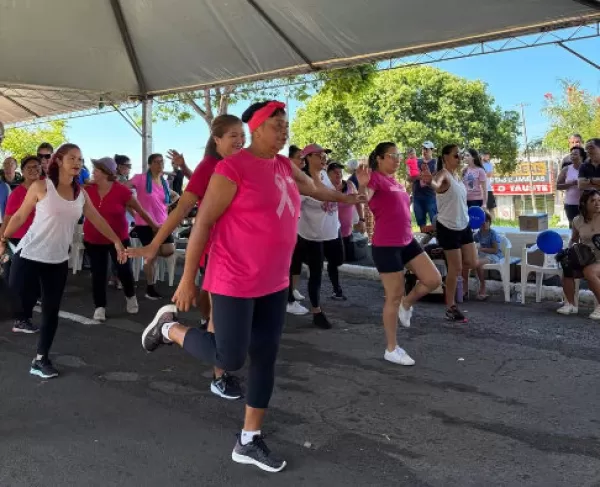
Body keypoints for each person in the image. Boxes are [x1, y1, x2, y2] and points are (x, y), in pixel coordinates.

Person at [139, 100, 364, 472]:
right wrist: (187, 279)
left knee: (264, 358)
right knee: (229, 358)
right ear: (256, 128)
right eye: (277, 125)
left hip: (273, 282)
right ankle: (168, 328)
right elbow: (203, 224)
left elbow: (313, 189)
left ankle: (249, 439)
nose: (284, 131)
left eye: (286, 124)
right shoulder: (231, 169)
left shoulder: (283, 166)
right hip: (233, 278)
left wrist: (347, 197)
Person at [128, 114, 245, 400]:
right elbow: (180, 210)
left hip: (241, 252)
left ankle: (203, 333)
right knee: (219, 312)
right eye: (233, 136)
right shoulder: (211, 166)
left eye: (243, 135)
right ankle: (218, 374)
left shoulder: (239, 164)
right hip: (218, 250)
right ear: (217, 140)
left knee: (218, 312)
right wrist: (154, 245)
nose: (240, 141)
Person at [0, 144, 127, 379]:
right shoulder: (42, 186)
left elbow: (97, 219)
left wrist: (117, 241)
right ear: (58, 160)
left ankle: (40, 359)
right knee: (13, 304)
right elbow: (19, 216)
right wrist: (2, 237)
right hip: (28, 255)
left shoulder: (81, 194)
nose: (77, 163)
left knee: (50, 311)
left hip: (57, 261)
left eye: (80, 159)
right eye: (72, 158)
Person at [359, 142, 441, 365]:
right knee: (392, 296)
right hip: (386, 245)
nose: (397, 159)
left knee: (433, 279)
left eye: (398, 155)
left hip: (407, 240)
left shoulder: (395, 180)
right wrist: (362, 186)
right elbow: (364, 198)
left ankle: (408, 303)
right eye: (392, 155)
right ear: (379, 159)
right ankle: (391, 348)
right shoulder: (374, 178)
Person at [84, 157, 158, 322]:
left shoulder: (122, 191)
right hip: (93, 239)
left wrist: (154, 226)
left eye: (96, 169)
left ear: (106, 173)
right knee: (99, 274)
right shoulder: (87, 189)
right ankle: (100, 306)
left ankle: (130, 296)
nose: (93, 172)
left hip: (119, 239)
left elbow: (140, 211)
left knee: (124, 271)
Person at [292, 143, 349, 329]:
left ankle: (329, 288)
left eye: (324, 154)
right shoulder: (303, 181)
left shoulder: (324, 174)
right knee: (316, 273)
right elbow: (294, 207)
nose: (324, 157)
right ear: (307, 158)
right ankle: (316, 311)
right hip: (312, 235)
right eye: (319, 155)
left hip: (333, 230)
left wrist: (343, 194)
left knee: (338, 260)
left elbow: (329, 193)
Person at [428, 144, 476, 323]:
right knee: (455, 269)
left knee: (471, 261)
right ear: (445, 157)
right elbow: (436, 185)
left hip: (464, 225)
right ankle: (450, 306)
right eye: (456, 155)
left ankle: (445, 253)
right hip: (447, 226)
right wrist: (429, 181)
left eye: (460, 155)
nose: (460, 158)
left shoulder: (457, 177)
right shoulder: (442, 175)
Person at [0, 155, 41, 332]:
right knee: (17, 283)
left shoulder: (46, 189)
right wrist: (2, 241)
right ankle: (20, 320)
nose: (33, 170)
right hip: (18, 242)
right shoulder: (17, 193)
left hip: (38, 241)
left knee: (30, 283)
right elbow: (8, 218)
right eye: (29, 168)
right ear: (22, 172)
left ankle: (22, 318)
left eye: (37, 167)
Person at [129, 153, 178, 299]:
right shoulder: (141, 178)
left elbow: (174, 196)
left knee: (169, 250)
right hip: (145, 224)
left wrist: (168, 206)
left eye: (162, 162)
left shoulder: (164, 183)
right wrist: (134, 211)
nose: (160, 165)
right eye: (156, 162)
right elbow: (124, 190)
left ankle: (143, 252)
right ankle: (150, 288)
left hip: (163, 223)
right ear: (150, 165)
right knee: (151, 258)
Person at [558, 190, 600, 319]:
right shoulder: (577, 221)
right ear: (584, 203)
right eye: (593, 201)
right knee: (566, 265)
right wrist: (568, 251)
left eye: (599, 200)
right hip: (586, 257)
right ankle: (571, 304)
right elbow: (574, 239)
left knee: (589, 272)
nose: (597, 203)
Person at [327, 161, 365, 262]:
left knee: (348, 260)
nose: (338, 174)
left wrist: (362, 220)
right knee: (335, 262)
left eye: (340, 172)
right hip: (330, 234)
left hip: (347, 232)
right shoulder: (325, 188)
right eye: (335, 172)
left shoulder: (350, 185)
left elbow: (358, 202)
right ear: (328, 174)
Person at [462, 211, 503, 300]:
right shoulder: (477, 235)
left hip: (493, 256)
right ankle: (465, 288)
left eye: (486, 221)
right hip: (480, 256)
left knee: (477, 263)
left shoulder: (493, 234)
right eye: (482, 221)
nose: (484, 223)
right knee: (466, 264)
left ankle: (483, 287)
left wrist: (482, 249)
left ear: (490, 223)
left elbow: (495, 250)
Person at [287, 144, 307, 309]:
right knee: (286, 264)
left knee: (295, 262)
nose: (303, 161)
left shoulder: (300, 178)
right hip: (284, 227)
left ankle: (291, 292)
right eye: (299, 158)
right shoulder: (285, 176)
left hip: (296, 225)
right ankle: (288, 300)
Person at [411, 141, 437, 232]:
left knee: (435, 221)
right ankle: (424, 244)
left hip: (431, 196)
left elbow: (437, 179)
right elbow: (410, 178)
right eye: (423, 148)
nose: (424, 151)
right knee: (421, 223)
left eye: (427, 149)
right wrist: (420, 176)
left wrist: (425, 176)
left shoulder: (436, 163)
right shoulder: (416, 162)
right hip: (417, 196)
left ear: (432, 150)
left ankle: (436, 241)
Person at [556, 146, 585, 227]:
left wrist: (584, 183)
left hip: (586, 203)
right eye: (571, 154)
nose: (572, 156)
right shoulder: (566, 169)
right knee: (573, 227)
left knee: (586, 227)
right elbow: (557, 186)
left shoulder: (588, 168)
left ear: (581, 156)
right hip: (571, 204)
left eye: (575, 154)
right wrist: (571, 184)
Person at [481, 150, 496, 215]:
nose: (487, 157)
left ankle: (492, 223)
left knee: (491, 208)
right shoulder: (478, 164)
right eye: (485, 155)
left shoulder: (489, 165)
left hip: (488, 189)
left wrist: (482, 173)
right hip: (479, 190)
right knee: (482, 208)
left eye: (488, 156)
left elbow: (489, 174)